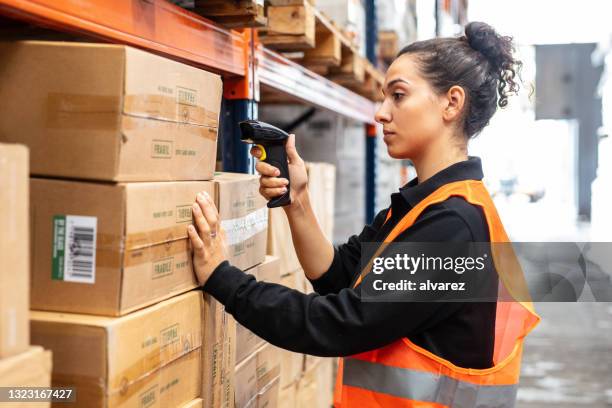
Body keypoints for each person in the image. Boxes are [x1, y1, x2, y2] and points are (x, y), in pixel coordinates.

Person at [187, 21, 540, 408]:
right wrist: (298, 202)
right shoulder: (421, 207)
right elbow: (338, 276)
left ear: (451, 103)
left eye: (398, 96)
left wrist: (221, 278)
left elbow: (337, 324)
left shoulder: (453, 226)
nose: (381, 113)